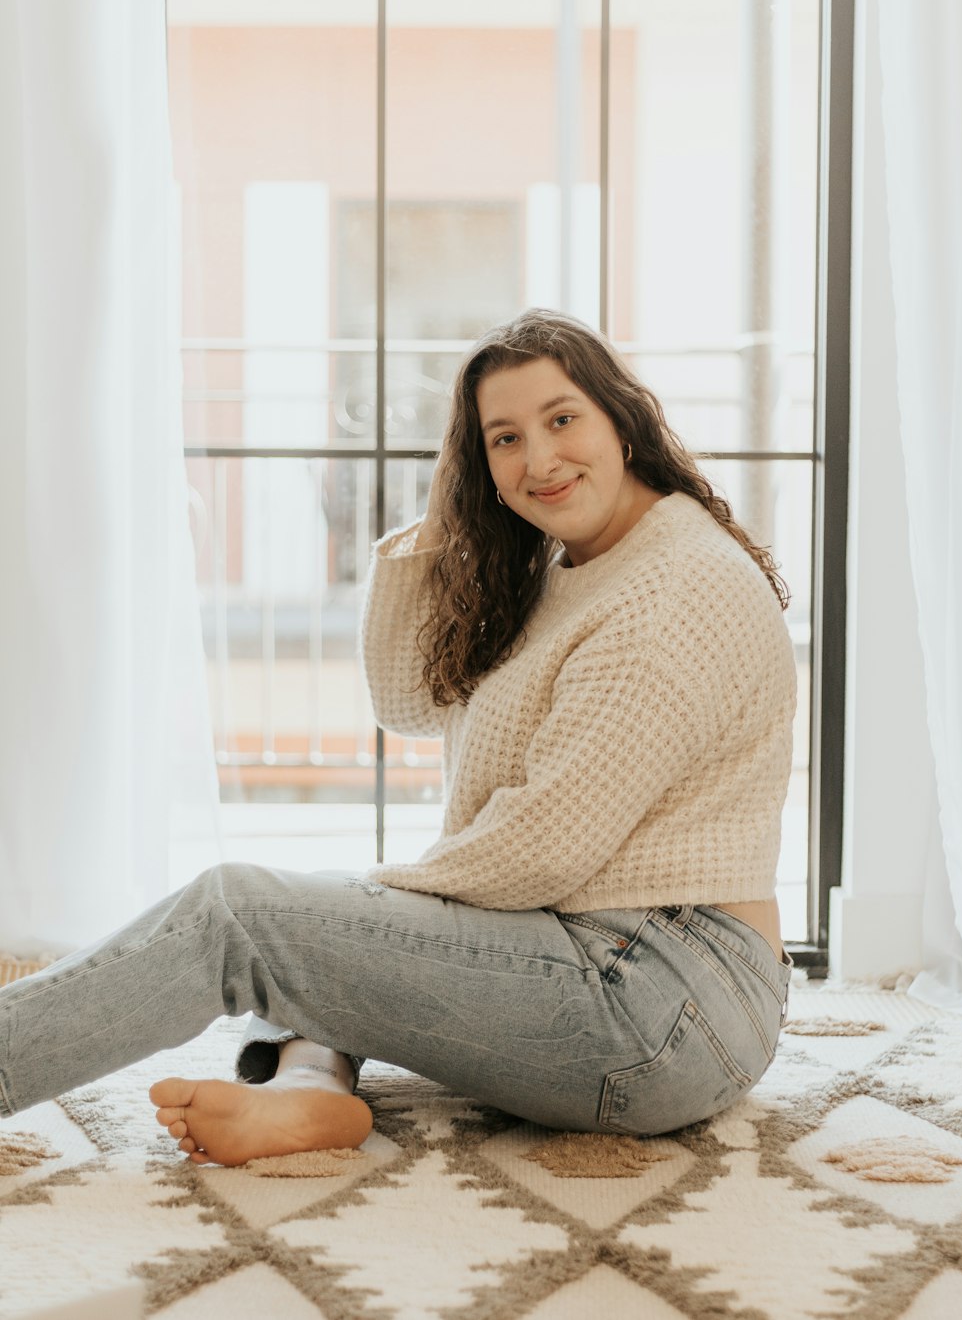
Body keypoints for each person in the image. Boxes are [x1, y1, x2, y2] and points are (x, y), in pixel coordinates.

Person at [0, 310, 796, 1165]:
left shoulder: (669, 589)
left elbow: (544, 850)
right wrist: (454, 517)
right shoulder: (580, 567)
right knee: (309, 923)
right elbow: (408, 697)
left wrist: (364, 902)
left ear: (622, 421)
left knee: (243, 912)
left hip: (661, 1006)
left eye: (563, 419)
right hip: (631, 975)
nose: (539, 460)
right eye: (503, 440)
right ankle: (310, 1088)